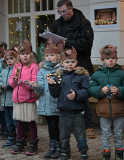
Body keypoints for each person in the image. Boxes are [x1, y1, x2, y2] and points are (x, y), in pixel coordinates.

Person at [52, 0, 95, 139]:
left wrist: (66, 43)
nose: (62, 14)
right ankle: (70, 124)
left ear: (71, 8)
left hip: (81, 64)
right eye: (60, 12)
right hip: (63, 64)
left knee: (83, 94)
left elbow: (87, 43)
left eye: (64, 11)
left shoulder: (83, 23)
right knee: (65, 92)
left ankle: (88, 125)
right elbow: (53, 43)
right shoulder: (57, 24)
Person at [88, 45, 124, 160]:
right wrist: (100, 90)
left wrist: (119, 91)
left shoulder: (122, 74)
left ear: (117, 59)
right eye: (107, 59)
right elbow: (91, 89)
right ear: (102, 60)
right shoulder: (97, 75)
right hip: (104, 111)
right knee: (106, 134)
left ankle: (119, 155)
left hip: (119, 110)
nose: (111, 60)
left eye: (113, 58)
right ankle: (106, 155)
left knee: (118, 134)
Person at [47, 47, 89, 160]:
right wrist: (52, 85)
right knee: (64, 134)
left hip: (78, 111)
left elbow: (86, 91)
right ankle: (65, 152)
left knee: (80, 134)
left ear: (76, 62)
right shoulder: (59, 76)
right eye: (67, 62)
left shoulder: (82, 76)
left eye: (72, 61)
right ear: (62, 63)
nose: (70, 64)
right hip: (64, 112)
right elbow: (55, 94)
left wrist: (76, 95)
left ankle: (83, 152)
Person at [31, 39, 61, 159]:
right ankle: (52, 146)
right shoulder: (42, 71)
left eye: (52, 55)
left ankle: (59, 147)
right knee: (50, 127)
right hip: (46, 104)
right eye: (47, 55)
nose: (49, 58)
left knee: (56, 126)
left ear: (57, 56)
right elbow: (41, 89)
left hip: (56, 104)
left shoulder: (60, 70)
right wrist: (36, 86)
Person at [9, 39, 40, 155]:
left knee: (30, 121)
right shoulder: (17, 66)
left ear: (30, 54)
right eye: (22, 54)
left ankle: (33, 142)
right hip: (17, 99)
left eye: (27, 54)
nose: (25, 56)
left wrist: (22, 83)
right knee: (19, 122)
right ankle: (20, 141)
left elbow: (34, 83)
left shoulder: (34, 66)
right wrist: (14, 82)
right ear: (19, 56)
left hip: (28, 99)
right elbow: (11, 81)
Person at [0, 49, 18, 148]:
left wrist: (7, 86)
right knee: (8, 121)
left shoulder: (17, 70)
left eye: (11, 59)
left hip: (13, 101)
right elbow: (0, 80)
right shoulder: (4, 70)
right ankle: (11, 137)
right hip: (5, 100)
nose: (9, 61)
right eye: (7, 59)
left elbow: (15, 83)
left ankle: (18, 138)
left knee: (15, 122)